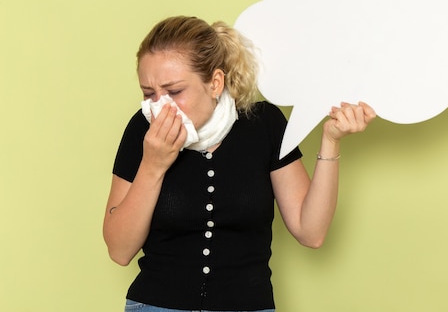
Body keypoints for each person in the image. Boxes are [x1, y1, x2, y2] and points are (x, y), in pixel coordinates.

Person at [103, 16, 376, 312]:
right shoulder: (142, 130)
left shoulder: (263, 124)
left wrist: (331, 140)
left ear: (215, 83)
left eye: (175, 91)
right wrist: (153, 165)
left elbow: (311, 232)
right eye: (149, 94)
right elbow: (119, 250)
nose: (160, 106)